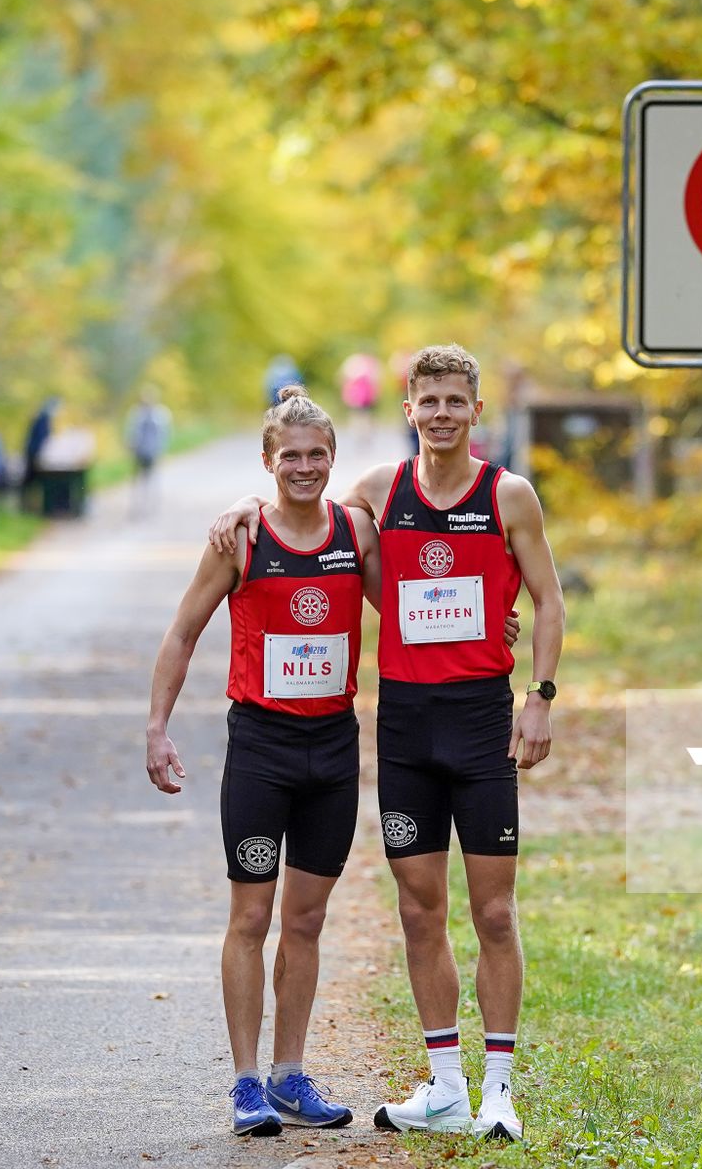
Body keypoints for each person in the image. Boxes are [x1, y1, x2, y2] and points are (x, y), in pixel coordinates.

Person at [210, 344, 565, 1143]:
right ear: (407, 410)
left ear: (476, 410)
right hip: (403, 726)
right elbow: (299, 503)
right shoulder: (379, 491)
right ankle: (444, 1086)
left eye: (455, 401)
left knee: (497, 913)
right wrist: (237, 506)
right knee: (418, 909)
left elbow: (548, 601)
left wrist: (539, 698)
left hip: (480, 722)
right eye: (428, 400)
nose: (441, 413)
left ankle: (499, 1091)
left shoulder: (509, 495)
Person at [145, 387, 370, 1138]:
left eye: (317, 455)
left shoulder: (356, 536)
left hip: (334, 750)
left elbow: (414, 605)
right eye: (290, 456)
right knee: (251, 915)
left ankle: (289, 1076)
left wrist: (500, 613)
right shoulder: (240, 541)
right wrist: (157, 728)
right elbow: (181, 633)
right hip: (263, 751)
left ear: (333, 460)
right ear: (268, 461)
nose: (304, 467)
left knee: (305, 920)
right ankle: (245, 1085)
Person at [125, 388, 173, 515]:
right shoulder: (137, 413)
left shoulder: (160, 414)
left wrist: (162, 451)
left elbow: (164, 435)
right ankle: (138, 506)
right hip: (139, 452)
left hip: (152, 452)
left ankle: (151, 506)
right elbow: (132, 433)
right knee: (139, 480)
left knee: (152, 479)